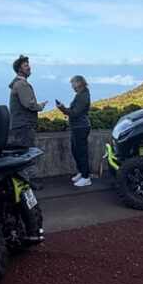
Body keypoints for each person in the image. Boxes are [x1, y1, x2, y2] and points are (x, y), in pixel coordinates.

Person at [9, 54, 47, 189]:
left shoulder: (17, 84)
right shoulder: (21, 84)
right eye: (26, 66)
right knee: (26, 156)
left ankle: (24, 184)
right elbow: (29, 104)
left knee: (23, 155)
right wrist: (39, 107)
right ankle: (25, 186)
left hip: (20, 125)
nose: (29, 67)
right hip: (24, 125)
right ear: (19, 69)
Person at [56, 75, 92, 187]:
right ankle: (81, 172)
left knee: (81, 152)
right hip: (77, 127)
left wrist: (62, 108)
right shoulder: (80, 95)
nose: (72, 87)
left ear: (79, 83)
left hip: (81, 128)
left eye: (73, 84)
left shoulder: (83, 97)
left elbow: (75, 113)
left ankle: (86, 177)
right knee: (76, 151)